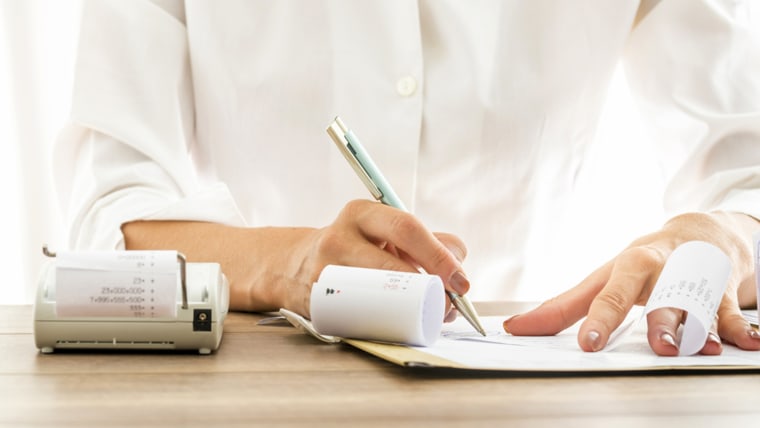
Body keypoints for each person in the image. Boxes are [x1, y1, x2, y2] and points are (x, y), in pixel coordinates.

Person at [54, 0, 760, 356]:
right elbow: (109, 207)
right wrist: (287, 263)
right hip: (257, 382)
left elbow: (747, 173)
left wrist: (713, 237)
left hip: (523, 383)